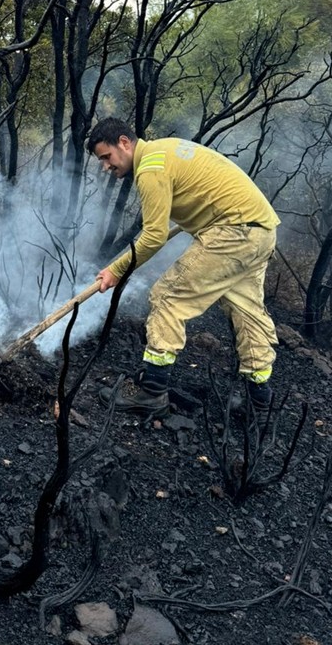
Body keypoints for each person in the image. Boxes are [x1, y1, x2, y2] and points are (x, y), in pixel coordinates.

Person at [88, 118, 279, 421]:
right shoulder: (163, 151)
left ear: (124, 142)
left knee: (167, 298)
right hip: (261, 231)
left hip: (233, 231)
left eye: (106, 157)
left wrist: (116, 270)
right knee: (246, 312)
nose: (105, 167)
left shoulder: (150, 167)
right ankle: (260, 401)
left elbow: (154, 236)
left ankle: (152, 392)